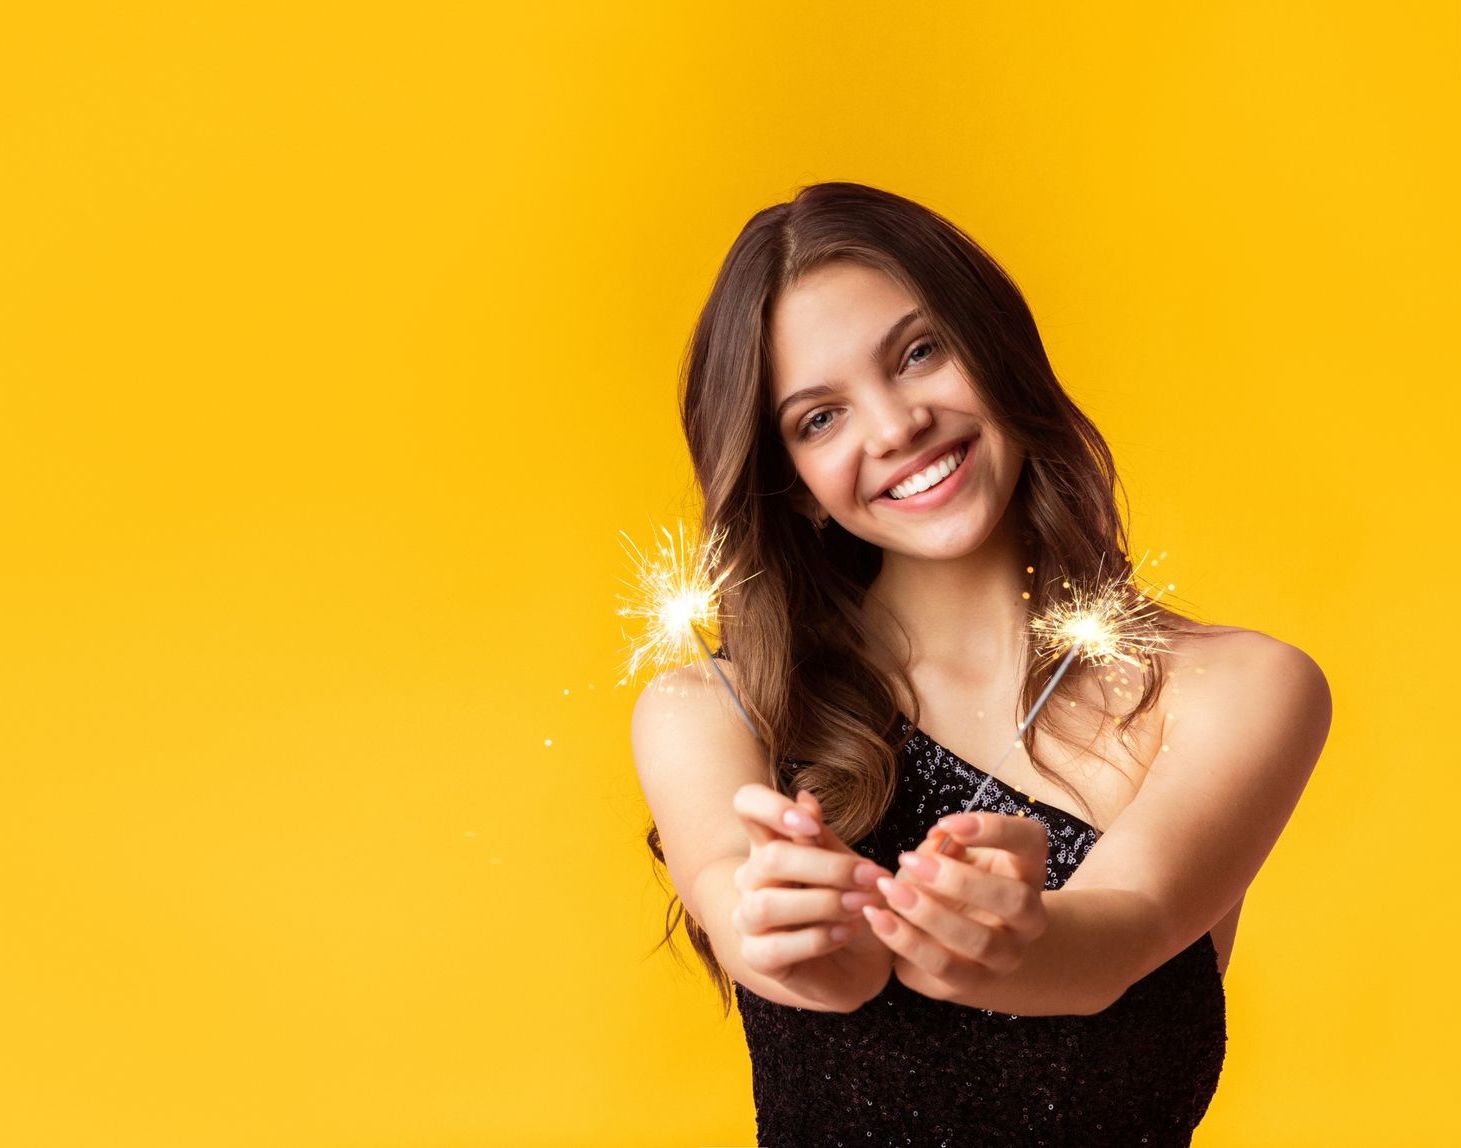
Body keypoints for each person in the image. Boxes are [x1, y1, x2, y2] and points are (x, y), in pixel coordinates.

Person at [630, 181, 1331, 1146]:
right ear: (791, 488)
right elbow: (743, 907)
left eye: (919, 353)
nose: (893, 427)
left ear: (997, 350)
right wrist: (801, 940)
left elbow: (1116, 940)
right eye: (818, 418)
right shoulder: (716, 713)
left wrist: (1017, 938)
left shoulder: (1238, 692)